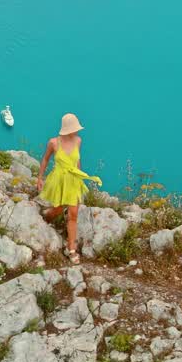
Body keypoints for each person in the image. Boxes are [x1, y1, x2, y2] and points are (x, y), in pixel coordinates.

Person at [36, 113, 102, 264]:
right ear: (67, 129)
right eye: (74, 128)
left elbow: (77, 161)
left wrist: (79, 179)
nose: (77, 131)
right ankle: (48, 216)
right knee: (58, 209)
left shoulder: (78, 140)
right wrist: (39, 178)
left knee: (73, 214)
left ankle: (71, 248)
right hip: (59, 181)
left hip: (73, 181)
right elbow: (45, 159)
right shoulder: (53, 143)